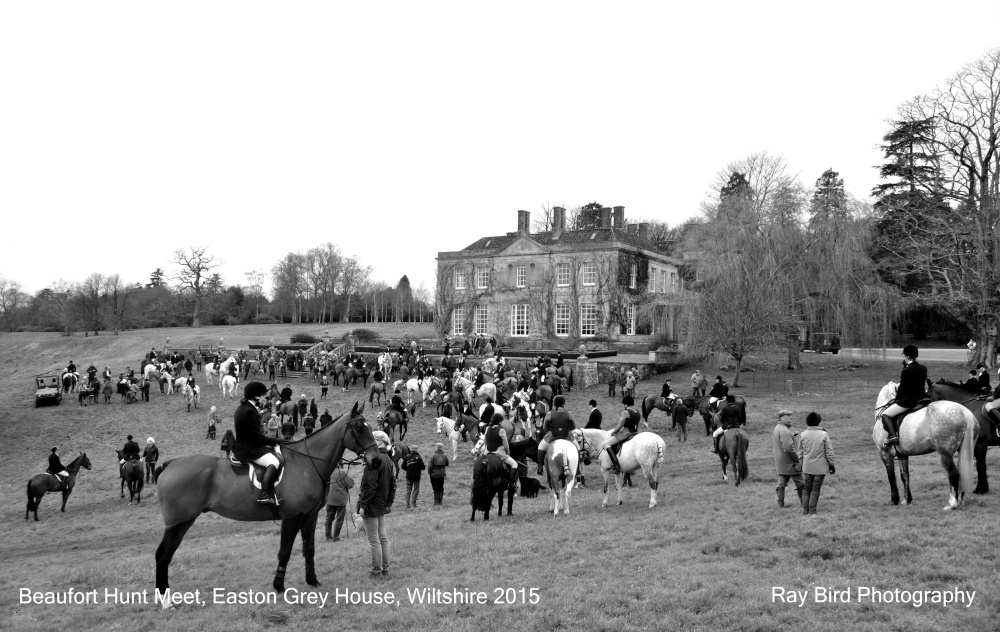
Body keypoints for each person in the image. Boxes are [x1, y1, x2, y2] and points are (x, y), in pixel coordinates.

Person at [233, 382, 282, 506]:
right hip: (248, 449)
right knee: (274, 462)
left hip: (248, 444)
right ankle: (265, 495)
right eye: (262, 396)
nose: (263, 398)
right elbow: (256, 437)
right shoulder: (248, 411)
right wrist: (275, 441)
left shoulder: (244, 407)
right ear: (255, 397)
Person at [357, 433, 395, 577]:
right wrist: (389, 503)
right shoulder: (388, 460)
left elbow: (369, 486)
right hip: (381, 504)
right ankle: (385, 568)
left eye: (372, 441)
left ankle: (376, 570)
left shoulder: (374, 460)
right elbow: (393, 484)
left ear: (379, 442)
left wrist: (363, 505)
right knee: (382, 538)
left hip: (372, 505)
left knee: (374, 539)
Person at [880, 345, 928, 447]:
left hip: (909, 401)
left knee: (885, 415)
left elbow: (903, 389)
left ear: (907, 356)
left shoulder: (906, 370)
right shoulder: (923, 368)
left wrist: (897, 400)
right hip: (922, 399)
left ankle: (892, 436)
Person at [799, 412, 835, 515]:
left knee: (806, 489)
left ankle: (805, 510)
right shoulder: (824, 434)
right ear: (818, 422)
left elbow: (800, 452)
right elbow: (829, 452)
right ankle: (812, 511)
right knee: (815, 489)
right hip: (820, 467)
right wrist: (831, 464)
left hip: (807, 467)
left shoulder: (803, 434)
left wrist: (800, 464)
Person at [603, 396, 649, 472]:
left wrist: (614, 432)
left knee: (606, 444)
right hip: (635, 433)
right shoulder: (637, 412)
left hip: (625, 433)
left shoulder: (626, 412)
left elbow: (620, 424)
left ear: (626, 404)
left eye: (624, 404)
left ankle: (616, 464)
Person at [535, 396, 576, 474]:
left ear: (554, 404)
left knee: (540, 447)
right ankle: (577, 469)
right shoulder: (569, 414)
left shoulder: (549, 414)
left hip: (552, 436)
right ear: (563, 404)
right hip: (567, 436)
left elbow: (545, 428)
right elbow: (574, 427)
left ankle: (540, 467)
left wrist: (551, 431)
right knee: (578, 448)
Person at [772, 410, 803, 508]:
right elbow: (788, 448)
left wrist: (792, 436)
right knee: (801, 483)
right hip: (790, 463)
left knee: (781, 483)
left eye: (790, 416)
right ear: (781, 418)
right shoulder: (784, 430)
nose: (790, 418)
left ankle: (781, 505)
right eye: (787, 417)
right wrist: (797, 458)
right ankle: (805, 504)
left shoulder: (778, 428)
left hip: (781, 462)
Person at [325, 464, 355, 542]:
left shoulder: (328, 471)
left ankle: (328, 537)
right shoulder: (342, 472)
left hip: (329, 499)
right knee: (339, 519)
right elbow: (351, 484)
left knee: (329, 518)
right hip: (340, 500)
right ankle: (336, 537)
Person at [427, 442, 450, 509]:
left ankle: (436, 502)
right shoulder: (444, 455)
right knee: (441, 488)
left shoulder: (433, 456)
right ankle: (440, 501)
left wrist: (429, 472)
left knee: (435, 488)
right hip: (442, 474)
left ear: (436, 447)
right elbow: (447, 463)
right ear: (442, 447)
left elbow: (430, 466)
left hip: (434, 475)